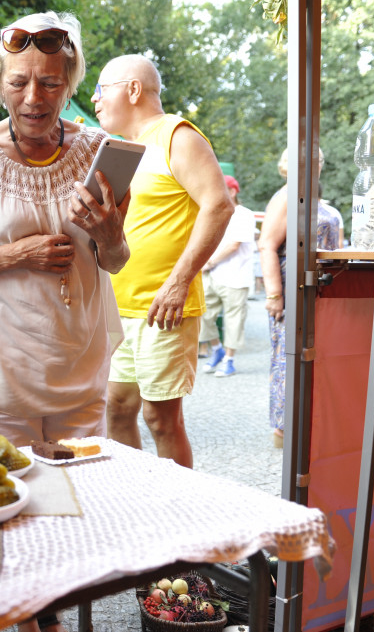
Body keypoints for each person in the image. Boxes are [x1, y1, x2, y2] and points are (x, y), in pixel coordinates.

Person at [0, 13, 128, 456]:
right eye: (18, 83)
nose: (34, 98)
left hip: (81, 382)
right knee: (2, 514)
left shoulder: (98, 152)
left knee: (81, 509)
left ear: (69, 81)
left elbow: (114, 261)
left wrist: (110, 235)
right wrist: (16, 255)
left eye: (50, 83)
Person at [93, 54, 233, 469]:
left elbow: (218, 206)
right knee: (115, 409)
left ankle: (179, 507)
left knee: (161, 418)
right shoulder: (117, 149)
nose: (95, 100)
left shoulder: (177, 135)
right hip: (118, 307)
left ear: (133, 89)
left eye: (102, 90)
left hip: (164, 307)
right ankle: (137, 501)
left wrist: (178, 282)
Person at [258, 148, 343, 448]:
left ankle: (313, 422)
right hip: (293, 289)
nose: (314, 165)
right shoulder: (286, 197)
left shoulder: (316, 199)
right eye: (307, 160)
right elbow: (266, 246)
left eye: (318, 160)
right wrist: (274, 295)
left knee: (317, 354)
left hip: (323, 288)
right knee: (288, 358)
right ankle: (285, 432)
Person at [199, 174, 257, 378]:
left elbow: (234, 245)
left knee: (234, 320)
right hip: (211, 273)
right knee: (203, 315)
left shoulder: (243, 214)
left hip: (235, 275)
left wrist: (209, 262)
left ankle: (229, 360)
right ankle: (217, 350)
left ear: (232, 192)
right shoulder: (212, 212)